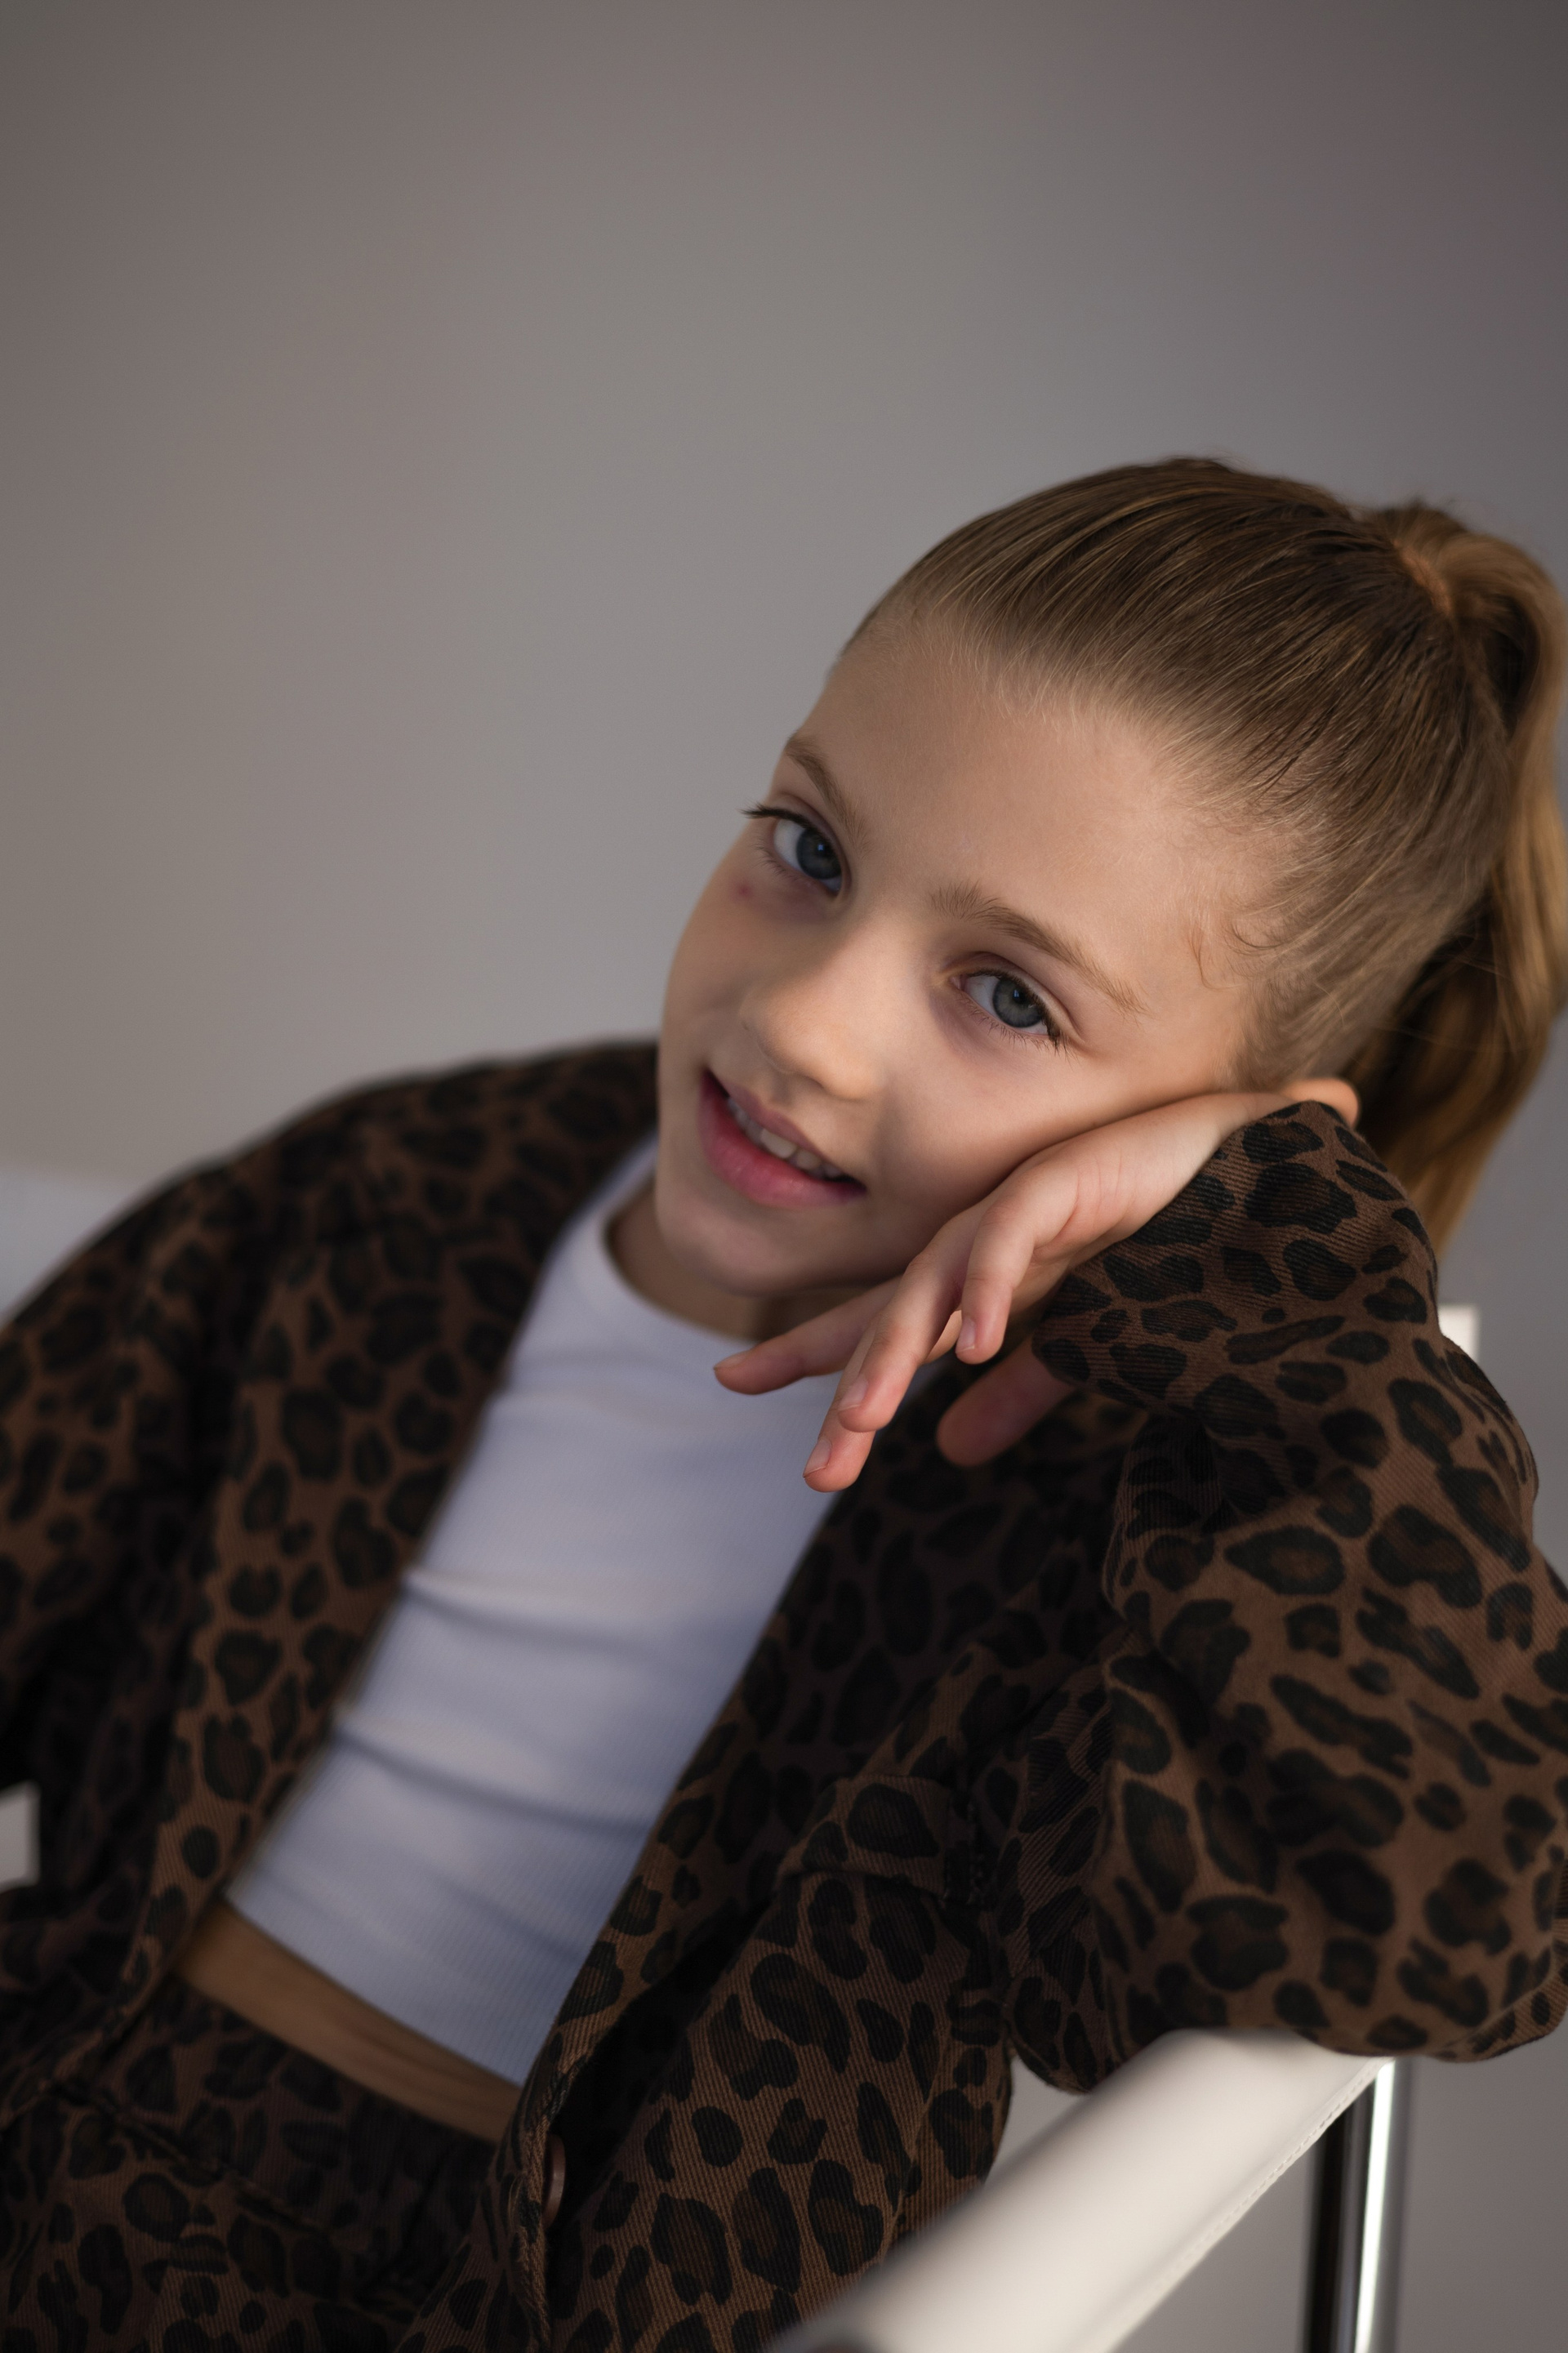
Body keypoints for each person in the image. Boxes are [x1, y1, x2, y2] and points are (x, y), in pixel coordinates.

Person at [2, 459, 1566, 2353]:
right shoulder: (401, 1195)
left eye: (1009, 996)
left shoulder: (1126, 1512)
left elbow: (1425, 1904)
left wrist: (1276, 1260)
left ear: (1217, 1141)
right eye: (813, 850)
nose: (805, 1021)